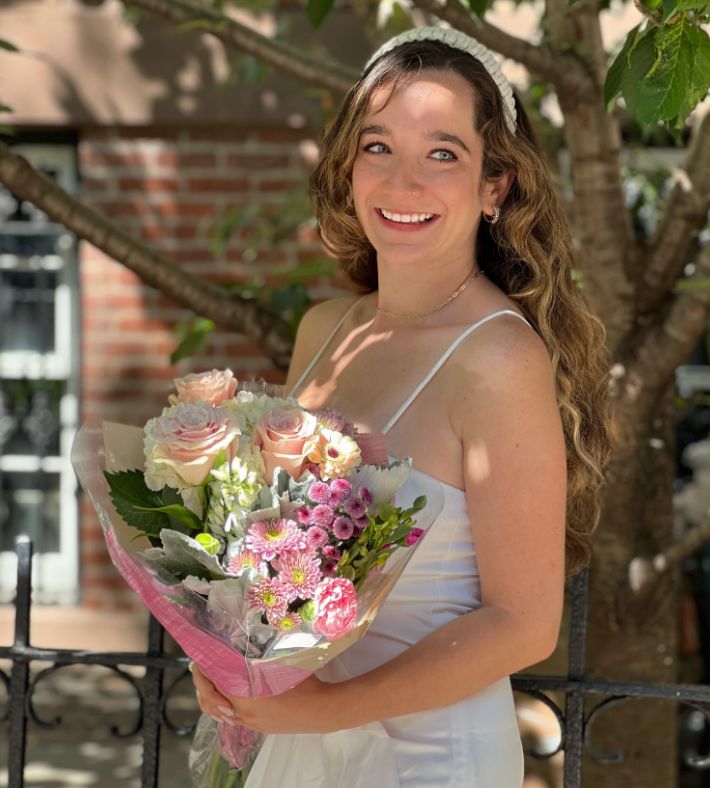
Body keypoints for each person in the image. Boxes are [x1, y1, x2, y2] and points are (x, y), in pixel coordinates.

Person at [191, 25, 614, 786]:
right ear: (350, 166)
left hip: (426, 759)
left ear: (496, 187)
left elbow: (525, 625)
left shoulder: (498, 359)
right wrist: (231, 651)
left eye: (443, 154)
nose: (402, 182)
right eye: (379, 146)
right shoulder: (326, 332)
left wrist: (319, 708)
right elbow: (276, 553)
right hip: (296, 740)